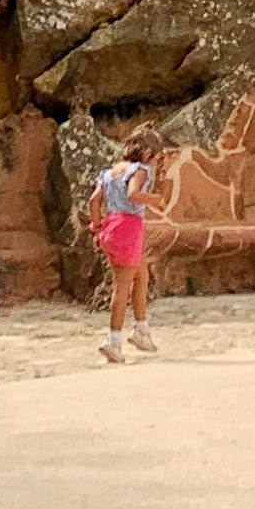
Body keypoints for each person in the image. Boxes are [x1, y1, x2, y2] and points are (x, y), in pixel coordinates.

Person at [89, 128, 162, 364]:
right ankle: (113, 341)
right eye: (157, 156)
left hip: (111, 226)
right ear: (149, 153)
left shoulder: (110, 172)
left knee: (141, 275)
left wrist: (97, 226)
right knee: (122, 286)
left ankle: (141, 329)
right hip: (128, 228)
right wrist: (154, 199)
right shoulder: (140, 170)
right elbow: (133, 194)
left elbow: (94, 200)